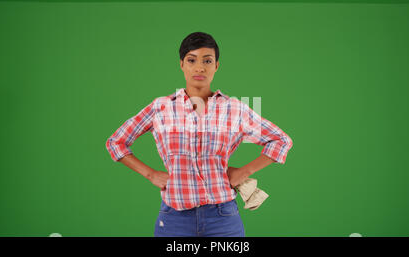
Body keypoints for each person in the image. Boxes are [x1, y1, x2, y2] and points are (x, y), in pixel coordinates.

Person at [105, 32, 293, 237]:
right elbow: (116, 142)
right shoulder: (161, 107)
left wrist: (245, 171)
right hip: (174, 217)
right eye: (192, 60)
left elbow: (281, 140)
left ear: (216, 66)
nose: (200, 67)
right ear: (182, 64)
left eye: (207, 61)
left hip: (223, 217)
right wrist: (151, 174)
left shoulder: (234, 108)